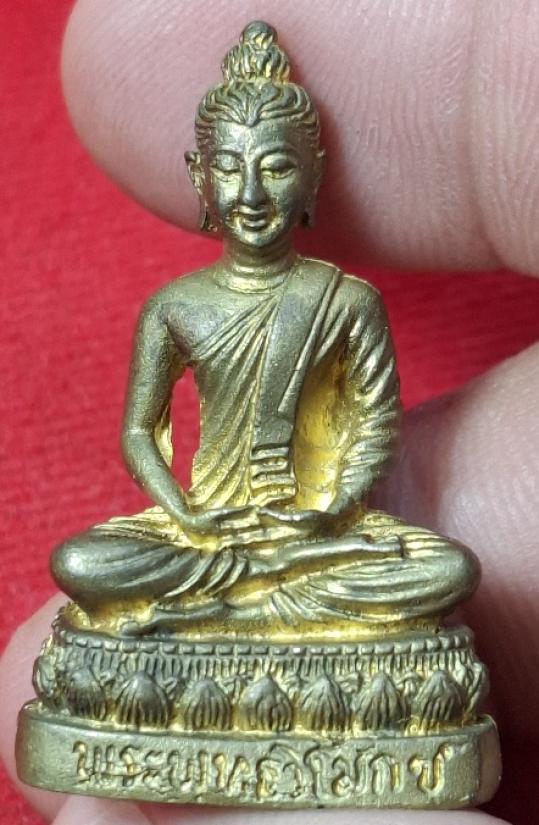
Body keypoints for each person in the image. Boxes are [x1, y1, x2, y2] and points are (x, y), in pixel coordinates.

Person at [2, 1, 538, 824]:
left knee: (444, 574)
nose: (251, 193)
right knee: (85, 562)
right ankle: (235, 602)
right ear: (199, 175)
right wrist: (185, 513)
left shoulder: (344, 302)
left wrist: (324, 511)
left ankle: (207, 618)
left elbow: (374, 427)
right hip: (204, 533)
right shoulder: (177, 306)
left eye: (277, 167)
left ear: (312, 175)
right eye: (230, 168)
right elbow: (139, 432)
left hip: (313, 535)